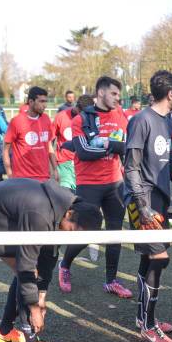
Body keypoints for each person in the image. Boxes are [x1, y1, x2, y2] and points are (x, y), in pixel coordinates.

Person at [0, 178, 102, 342]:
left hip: (12, 209)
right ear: (70, 214)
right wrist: (34, 309)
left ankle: (5, 331)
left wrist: (41, 297)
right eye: (73, 231)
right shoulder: (40, 215)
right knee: (26, 272)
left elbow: (50, 257)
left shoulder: (66, 208)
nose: (72, 237)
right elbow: (26, 268)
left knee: (35, 272)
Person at [124, 70, 172, 342]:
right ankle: (149, 326)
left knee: (149, 260)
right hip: (143, 201)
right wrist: (142, 207)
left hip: (161, 201)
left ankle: (144, 318)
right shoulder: (141, 120)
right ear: (171, 94)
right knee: (158, 259)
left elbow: (171, 164)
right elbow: (130, 167)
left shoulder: (167, 121)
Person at [58, 76, 132, 298]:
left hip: (115, 183)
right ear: (100, 93)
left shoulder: (120, 116)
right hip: (89, 185)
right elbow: (83, 153)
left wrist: (109, 145)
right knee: (85, 233)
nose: (118, 98)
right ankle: (65, 265)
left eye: (119, 94)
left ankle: (111, 281)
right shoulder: (81, 119)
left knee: (115, 233)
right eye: (114, 94)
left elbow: (128, 147)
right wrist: (114, 147)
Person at [2, 86, 57, 182]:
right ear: (31, 102)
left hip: (44, 178)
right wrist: (10, 174)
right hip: (22, 179)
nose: (45, 105)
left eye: (45, 101)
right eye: (41, 101)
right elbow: (6, 149)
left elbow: (49, 145)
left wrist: (55, 169)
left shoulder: (46, 119)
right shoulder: (16, 121)